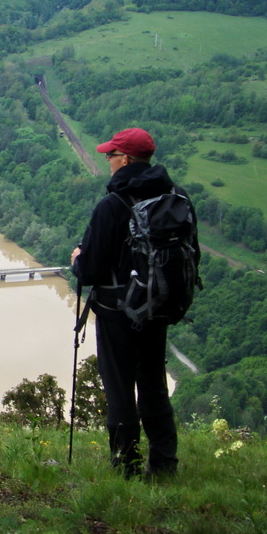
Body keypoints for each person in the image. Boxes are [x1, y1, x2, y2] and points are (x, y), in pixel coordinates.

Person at [71, 127, 199, 478]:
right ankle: (163, 465)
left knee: (120, 391)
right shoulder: (178, 198)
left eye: (110, 156)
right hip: (158, 310)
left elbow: (92, 270)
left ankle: (125, 468)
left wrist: (77, 259)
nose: (108, 161)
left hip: (116, 314)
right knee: (154, 384)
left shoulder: (113, 206)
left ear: (125, 160)